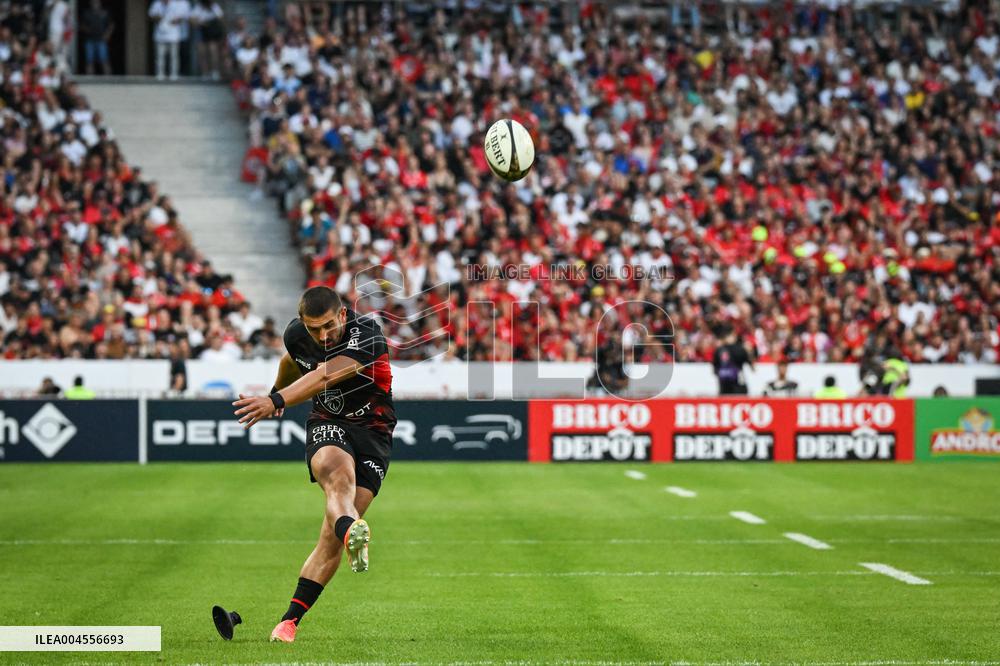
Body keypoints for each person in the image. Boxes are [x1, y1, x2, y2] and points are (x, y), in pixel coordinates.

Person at [232, 287, 396, 643]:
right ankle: (352, 530)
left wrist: (275, 399)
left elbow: (324, 375)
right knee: (338, 480)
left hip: (374, 432)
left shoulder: (367, 335)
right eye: (313, 329)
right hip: (328, 421)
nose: (322, 336)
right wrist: (279, 391)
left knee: (329, 539)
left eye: (327, 327)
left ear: (341, 315)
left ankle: (288, 621)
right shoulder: (298, 334)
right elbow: (293, 361)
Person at [150, 0, 188, 80]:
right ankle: (160, 73)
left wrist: (176, 20)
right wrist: (158, 17)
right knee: (160, 56)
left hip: (173, 34)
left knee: (174, 56)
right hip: (160, 34)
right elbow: (151, 15)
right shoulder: (157, 3)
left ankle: (174, 74)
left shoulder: (175, 4)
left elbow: (182, 17)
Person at [712, 328, 753, 395]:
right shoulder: (740, 349)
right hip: (737, 385)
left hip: (725, 385)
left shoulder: (719, 350)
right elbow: (751, 365)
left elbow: (714, 369)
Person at [80, 0, 113, 75]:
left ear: (100, 3)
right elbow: (81, 25)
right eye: (93, 2)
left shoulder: (104, 13)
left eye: (97, 2)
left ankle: (109, 79)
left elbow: (111, 25)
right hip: (90, 39)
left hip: (101, 39)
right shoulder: (87, 13)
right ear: (91, 3)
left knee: (104, 60)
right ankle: (89, 78)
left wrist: (107, 34)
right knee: (89, 61)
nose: (95, 4)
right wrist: (87, 29)